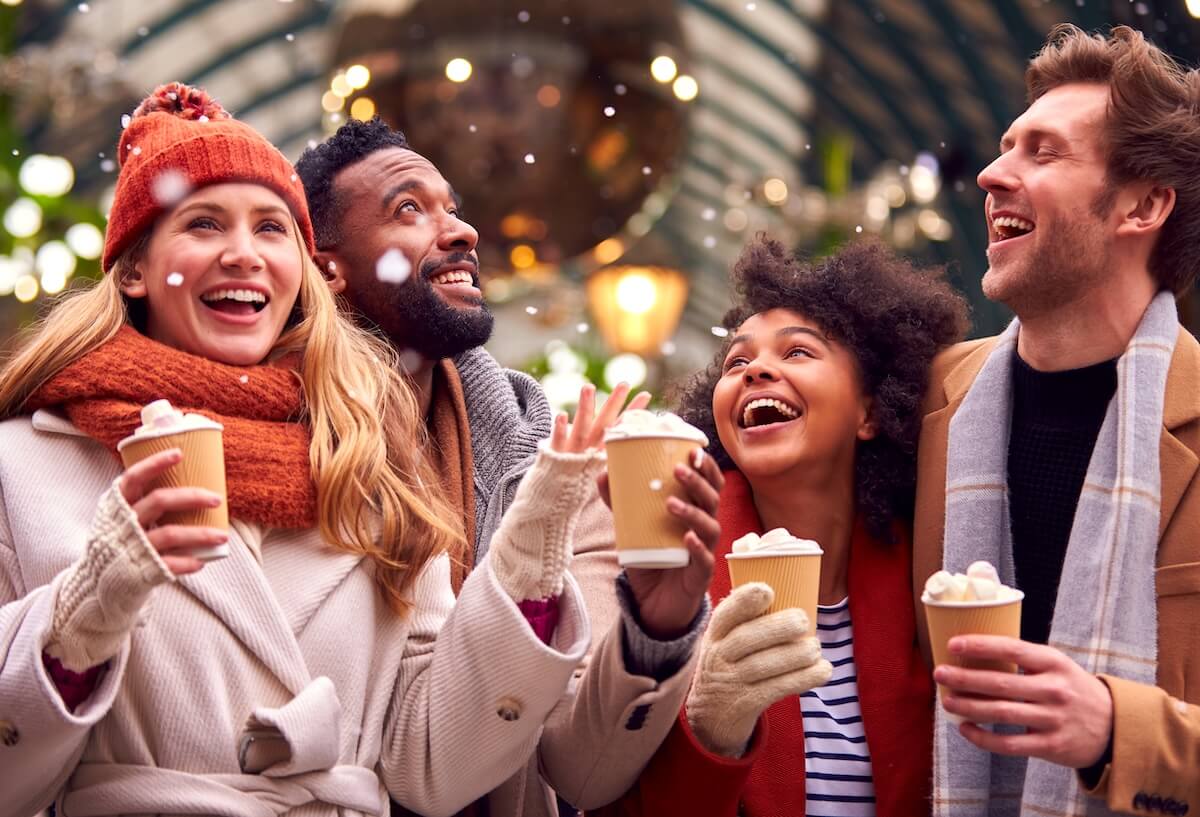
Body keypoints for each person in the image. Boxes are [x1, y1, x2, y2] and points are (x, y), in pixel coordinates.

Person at [0, 83, 604, 817]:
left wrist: (527, 564)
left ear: (304, 271)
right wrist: (86, 608)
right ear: (133, 269)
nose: (244, 254)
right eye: (203, 223)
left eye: (272, 228)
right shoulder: (22, 466)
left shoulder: (371, 462)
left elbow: (434, 766)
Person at [295, 120, 720, 816]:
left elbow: (580, 769)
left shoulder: (552, 457)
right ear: (328, 267)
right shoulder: (282, 446)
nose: (460, 230)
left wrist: (656, 626)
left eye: (452, 207)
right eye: (409, 209)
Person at [913, 24, 1200, 816]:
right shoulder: (932, 401)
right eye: (1007, 145)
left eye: (1042, 152)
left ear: (1142, 205)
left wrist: (1119, 729)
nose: (990, 173)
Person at [591, 237, 968, 816]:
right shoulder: (662, 567)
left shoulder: (939, 565)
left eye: (797, 353)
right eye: (735, 362)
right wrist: (714, 727)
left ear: (871, 410)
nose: (756, 369)